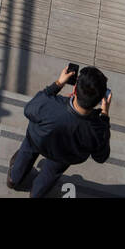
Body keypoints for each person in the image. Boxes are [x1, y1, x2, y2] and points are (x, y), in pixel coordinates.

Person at [7, 64, 112, 198]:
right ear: (99, 101)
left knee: (27, 151)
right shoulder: (98, 130)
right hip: (65, 156)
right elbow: (101, 157)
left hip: (38, 140)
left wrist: (58, 84)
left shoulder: (51, 104)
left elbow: (29, 110)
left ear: (74, 88)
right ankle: (36, 194)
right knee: (51, 172)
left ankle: (14, 178)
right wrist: (104, 115)